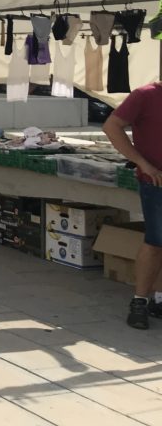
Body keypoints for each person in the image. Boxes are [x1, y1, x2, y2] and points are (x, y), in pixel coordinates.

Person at [103, 83, 162, 329]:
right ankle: (139, 300)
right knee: (156, 241)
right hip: (156, 182)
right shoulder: (145, 95)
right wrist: (142, 163)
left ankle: (159, 299)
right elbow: (111, 126)